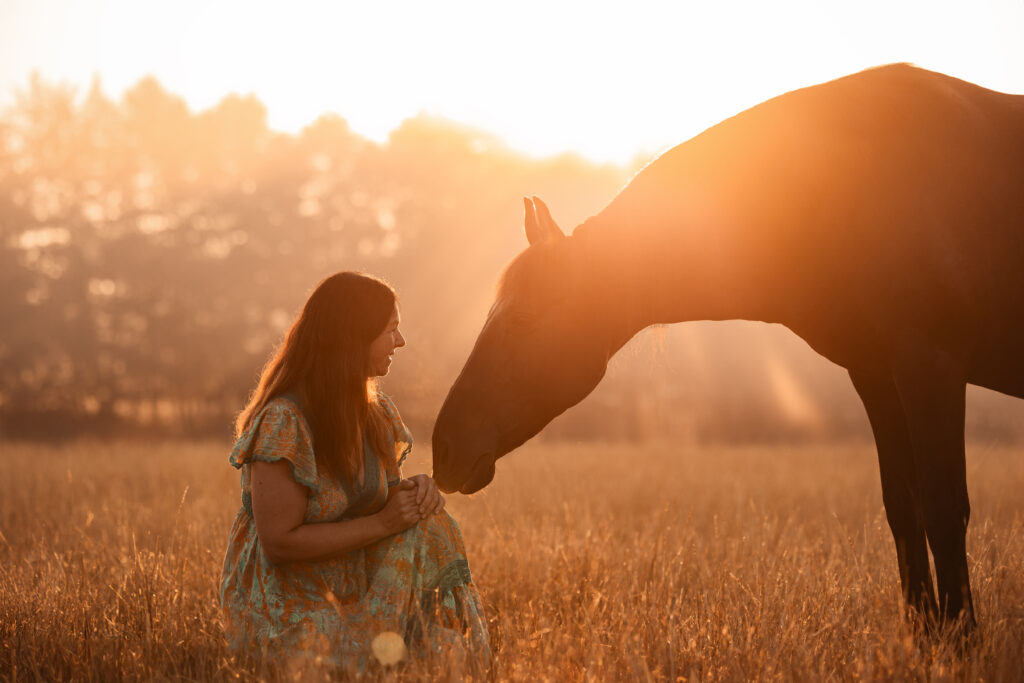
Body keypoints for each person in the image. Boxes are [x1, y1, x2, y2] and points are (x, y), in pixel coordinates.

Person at [219, 271, 490, 674]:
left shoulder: (374, 415)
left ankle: (448, 656)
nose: (401, 342)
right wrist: (383, 523)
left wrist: (417, 492)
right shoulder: (284, 422)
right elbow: (279, 543)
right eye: (391, 330)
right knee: (343, 663)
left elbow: (385, 502)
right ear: (353, 338)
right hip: (288, 598)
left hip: (352, 578)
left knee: (434, 526)